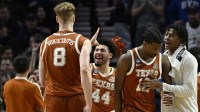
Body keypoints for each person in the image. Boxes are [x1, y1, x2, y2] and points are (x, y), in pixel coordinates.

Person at [38, 2, 99, 112]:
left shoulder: (45, 43)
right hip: (75, 98)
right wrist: (89, 104)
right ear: (74, 18)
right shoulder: (82, 41)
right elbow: (84, 70)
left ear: (57, 19)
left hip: (53, 99)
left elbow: (42, 80)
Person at [115, 27, 172, 112]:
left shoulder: (163, 61)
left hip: (151, 109)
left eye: (159, 49)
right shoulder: (127, 59)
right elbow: (117, 89)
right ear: (145, 43)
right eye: (154, 49)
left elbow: (168, 89)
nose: (157, 52)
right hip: (130, 109)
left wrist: (162, 89)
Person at [147, 24, 198, 112]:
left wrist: (162, 86)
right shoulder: (163, 57)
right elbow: (163, 86)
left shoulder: (189, 59)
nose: (166, 37)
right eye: (166, 35)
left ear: (181, 39)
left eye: (171, 35)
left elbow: (189, 90)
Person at [91, 38, 117, 112]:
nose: (98, 52)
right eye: (96, 50)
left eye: (102, 50)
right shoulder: (87, 68)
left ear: (110, 55)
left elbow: (125, 99)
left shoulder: (117, 74)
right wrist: (89, 45)